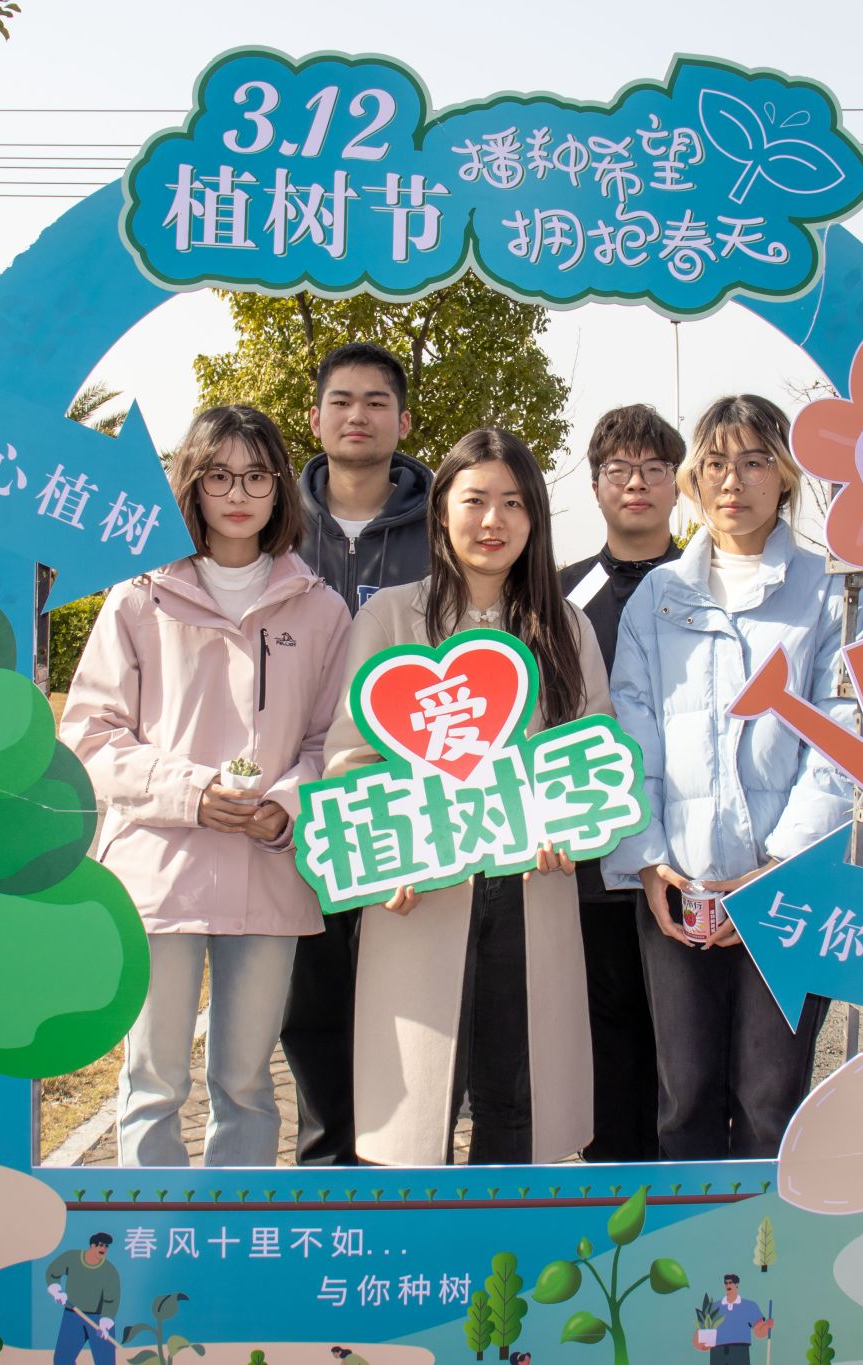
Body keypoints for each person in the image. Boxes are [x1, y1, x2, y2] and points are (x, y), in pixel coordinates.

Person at [60, 404, 351, 1168]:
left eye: (257, 476)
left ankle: (234, 1232)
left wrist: (285, 807)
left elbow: (335, 742)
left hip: (269, 873)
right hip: (160, 872)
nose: (238, 493)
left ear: (280, 487)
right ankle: (153, 1231)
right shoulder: (140, 597)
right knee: (152, 1080)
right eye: (219, 475)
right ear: (190, 484)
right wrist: (190, 792)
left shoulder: (321, 608)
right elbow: (90, 734)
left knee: (248, 1083)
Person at [324, 428, 609, 1166]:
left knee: (519, 1099)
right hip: (424, 890)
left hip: (530, 887)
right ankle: (417, 1240)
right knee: (418, 1113)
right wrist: (388, 860)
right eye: (475, 499)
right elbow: (351, 758)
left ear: (535, 517)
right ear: (442, 509)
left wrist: (573, 830)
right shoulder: (390, 617)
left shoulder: (566, 627)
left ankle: (500, 1239)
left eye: (514, 503)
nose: (493, 520)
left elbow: (594, 754)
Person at [605, 394, 863, 1160]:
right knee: (684, 1096)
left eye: (754, 461)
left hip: (792, 888)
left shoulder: (828, 591)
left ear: (784, 476)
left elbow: (843, 735)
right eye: (716, 462)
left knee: (770, 1098)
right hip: (678, 890)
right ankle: (689, 1240)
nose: (733, 480)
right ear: (694, 478)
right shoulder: (658, 597)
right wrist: (649, 861)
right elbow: (632, 739)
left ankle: (766, 1238)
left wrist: (780, 866)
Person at [284, 341, 433, 1167]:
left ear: (403, 422)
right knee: (309, 1007)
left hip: (408, 812)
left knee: (408, 1005)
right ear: (315, 418)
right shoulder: (274, 524)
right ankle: (326, 1169)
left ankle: (403, 1167)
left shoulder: (443, 527)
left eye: (377, 402)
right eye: (342, 400)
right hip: (298, 805)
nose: (358, 415)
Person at [557, 404, 684, 1164]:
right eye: (618, 469)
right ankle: (611, 1193)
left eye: (654, 468)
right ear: (595, 483)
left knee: (685, 1045)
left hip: (689, 857)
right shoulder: (558, 592)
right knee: (607, 1038)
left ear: (679, 483)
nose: (636, 483)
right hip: (590, 861)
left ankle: (687, 1192)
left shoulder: (707, 582)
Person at [45, 1231, 120, 1365]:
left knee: (106, 1361)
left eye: (106, 1246)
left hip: (99, 1320)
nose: (103, 1249)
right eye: (101, 1245)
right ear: (92, 1245)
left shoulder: (109, 1270)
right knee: (62, 1360)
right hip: (73, 1316)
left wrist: (105, 1322)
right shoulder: (72, 1257)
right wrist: (57, 1291)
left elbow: (111, 1299)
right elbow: (53, 1271)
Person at [698, 1273, 773, 1362]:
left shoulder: (749, 1306)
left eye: (730, 1283)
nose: (728, 1285)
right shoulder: (714, 1307)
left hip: (740, 1352)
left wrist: (767, 1326)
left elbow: (759, 1332)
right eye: (726, 1283)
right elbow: (704, 1330)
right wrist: (702, 1342)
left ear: (737, 1285)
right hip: (717, 1352)